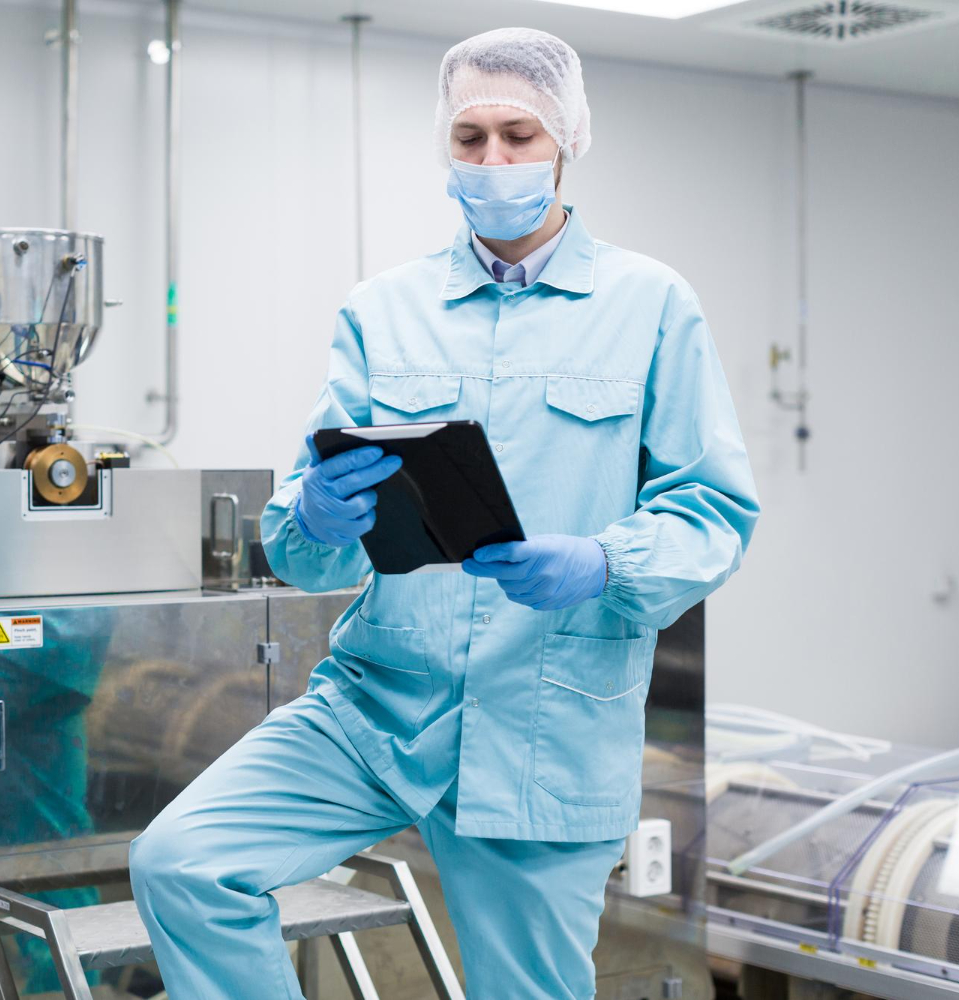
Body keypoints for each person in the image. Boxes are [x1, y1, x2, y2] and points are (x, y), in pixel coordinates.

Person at [130, 26, 758, 998]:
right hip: (379, 701)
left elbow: (713, 508)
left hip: (545, 718)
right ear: (444, 145)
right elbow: (301, 543)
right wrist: (319, 521)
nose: (495, 160)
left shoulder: (651, 304)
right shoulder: (385, 310)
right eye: (471, 139)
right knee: (183, 862)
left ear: (570, 139)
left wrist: (602, 562)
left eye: (519, 134)